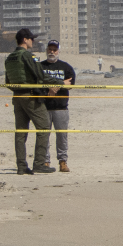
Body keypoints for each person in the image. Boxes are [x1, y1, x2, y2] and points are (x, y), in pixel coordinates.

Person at [4, 28, 54, 174]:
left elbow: (8, 82)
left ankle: (21, 166)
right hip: (30, 97)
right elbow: (41, 75)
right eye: (31, 39)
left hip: (17, 97)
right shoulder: (27, 56)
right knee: (44, 127)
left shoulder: (10, 58)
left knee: (20, 133)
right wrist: (60, 82)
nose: (33, 41)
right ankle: (39, 163)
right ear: (25, 40)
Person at [39, 40, 77, 172]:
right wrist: (53, 86)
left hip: (61, 107)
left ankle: (63, 161)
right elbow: (36, 82)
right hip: (43, 106)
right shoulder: (40, 66)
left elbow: (70, 85)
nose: (52, 52)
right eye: (50, 49)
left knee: (62, 136)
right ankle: (45, 161)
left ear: (58, 51)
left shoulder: (66, 67)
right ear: (46, 50)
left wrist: (56, 86)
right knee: (44, 135)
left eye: (54, 50)